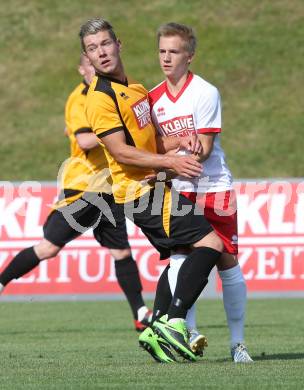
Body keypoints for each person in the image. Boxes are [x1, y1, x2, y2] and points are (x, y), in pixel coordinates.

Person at [80, 17, 224, 363]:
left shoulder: (137, 89)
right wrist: (172, 163)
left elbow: (152, 139)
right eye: (92, 49)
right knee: (210, 244)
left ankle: (155, 327)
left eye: (105, 44)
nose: (100, 53)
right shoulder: (100, 98)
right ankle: (174, 323)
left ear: (119, 45)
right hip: (140, 192)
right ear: (87, 56)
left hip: (152, 186)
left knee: (181, 257)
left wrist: (180, 140)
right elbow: (120, 151)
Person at [0, 54, 152, 333]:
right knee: (48, 248)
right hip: (84, 188)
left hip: (108, 188)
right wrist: (116, 131)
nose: (96, 69)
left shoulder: (108, 95)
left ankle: (140, 313)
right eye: (90, 65)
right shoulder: (80, 99)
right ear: (81, 69)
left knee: (121, 252)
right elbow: (84, 140)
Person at [149, 22, 253, 362]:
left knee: (227, 262)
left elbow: (205, 149)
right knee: (181, 258)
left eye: (174, 51)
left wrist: (192, 149)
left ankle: (238, 344)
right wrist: (171, 156)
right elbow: (153, 145)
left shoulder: (205, 92)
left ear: (189, 56)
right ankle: (187, 333)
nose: (166, 57)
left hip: (214, 188)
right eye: (162, 50)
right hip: (179, 190)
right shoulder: (152, 99)